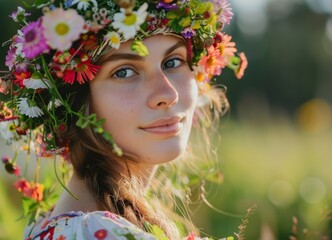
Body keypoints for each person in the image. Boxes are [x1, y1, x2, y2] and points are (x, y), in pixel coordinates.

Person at [0, 0, 247, 239]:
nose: (167, 95)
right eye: (124, 72)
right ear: (76, 102)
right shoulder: (102, 234)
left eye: (173, 62)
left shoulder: (56, 224)